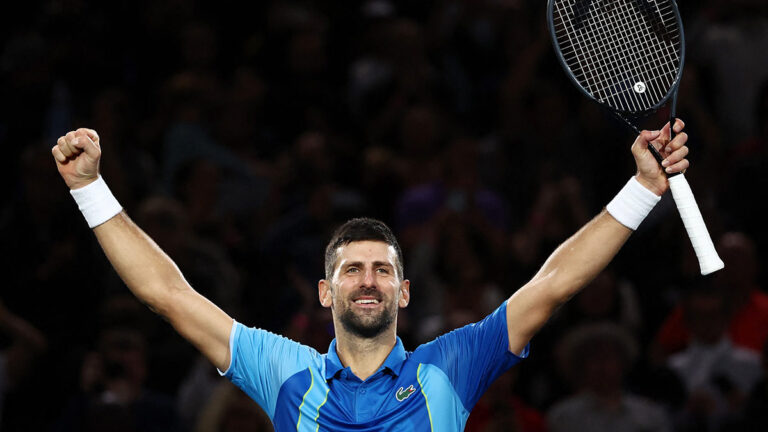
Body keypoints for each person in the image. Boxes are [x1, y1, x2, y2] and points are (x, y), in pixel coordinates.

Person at [51, 120, 691, 430]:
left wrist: (640, 190)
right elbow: (168, 295)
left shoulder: (450, 366)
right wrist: (90, 190)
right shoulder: (283, 371)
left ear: (405, 292)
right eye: (352, 269)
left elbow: (554, 283)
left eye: (383, 270)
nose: (367, 280)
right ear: (325, 291)